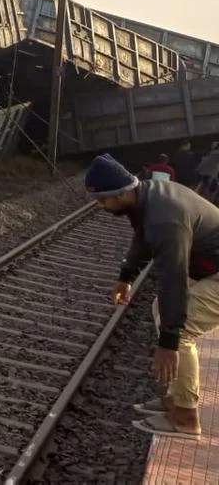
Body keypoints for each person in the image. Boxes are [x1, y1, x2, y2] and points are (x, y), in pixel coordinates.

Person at [85, 154, 219, 439]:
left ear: (122, 193)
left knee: (181, 332)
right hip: (212, 269)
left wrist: (168, 342)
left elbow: (173, 279)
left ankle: (185, 418)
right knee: (163, 310)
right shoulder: (147, 196)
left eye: (104, 200)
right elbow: (142, 237)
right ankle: (175, 399)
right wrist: (127, 276)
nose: (101, 206)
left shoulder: (166, 218)